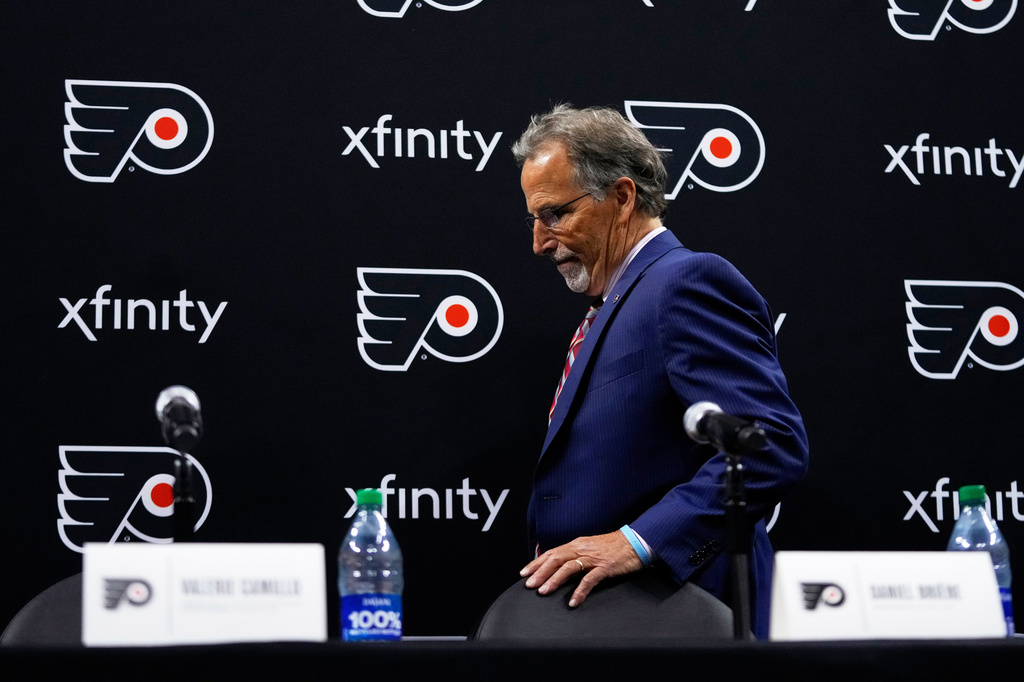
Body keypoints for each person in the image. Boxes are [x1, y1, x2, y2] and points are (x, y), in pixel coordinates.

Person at [512, 104, 809, 638]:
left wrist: (637, 541)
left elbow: (770, 444)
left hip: (692, 619)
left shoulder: (685, 283)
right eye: (534, 219)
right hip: (622, 627)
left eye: (555, 214)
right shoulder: (618, 301)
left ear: (621, 198)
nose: (539, 241)